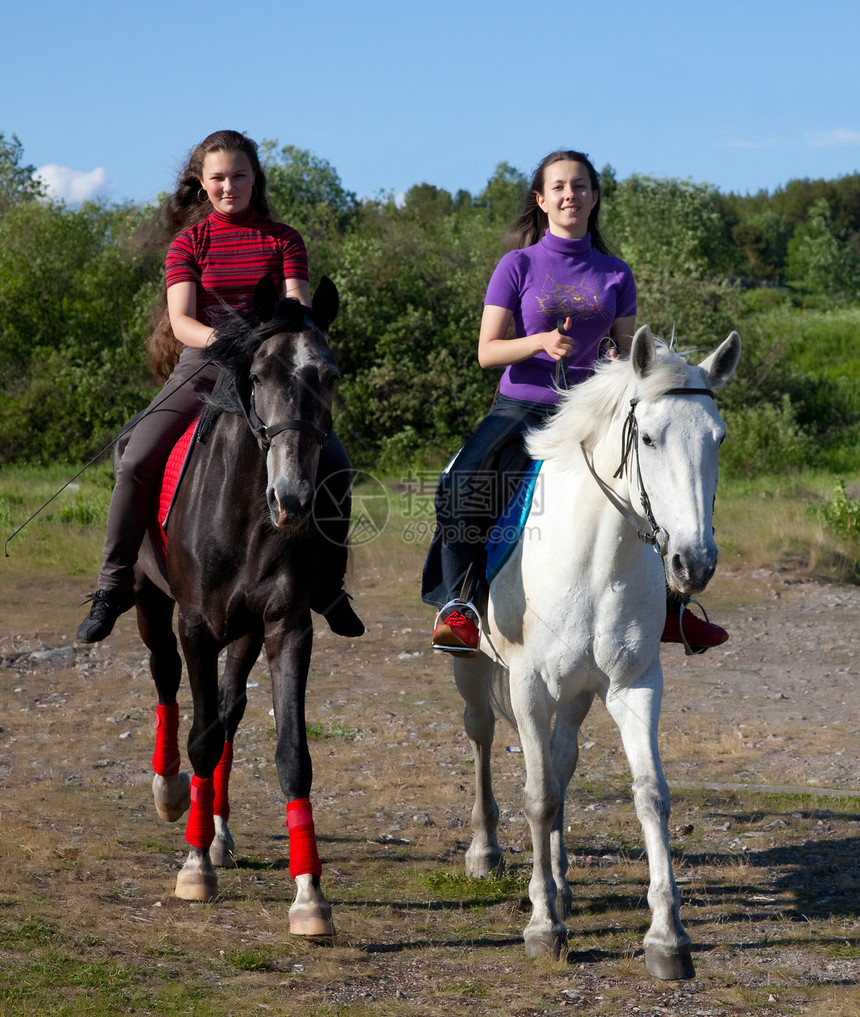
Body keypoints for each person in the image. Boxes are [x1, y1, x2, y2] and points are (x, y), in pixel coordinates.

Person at [424, 149, 728, 656]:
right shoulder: (516, 265)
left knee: (658, 484)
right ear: (542, 200)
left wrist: (612, 355)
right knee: (462, 485)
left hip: (593, 410)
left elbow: (630, 356)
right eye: (560, 187)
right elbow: (487, 351)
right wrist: (538, 342)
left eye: (581, 186)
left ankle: (672, 609)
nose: (572, 194)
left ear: (595, 197)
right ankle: (460, 607)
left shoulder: (616, 273)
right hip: (522, 405)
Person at [77, 130, 363, 642]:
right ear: (202, 184)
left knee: (336, 464)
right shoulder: (189, 243)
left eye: (239, 176)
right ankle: (113, 583)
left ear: (255, 179)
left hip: (273, 369)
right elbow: (182, 320)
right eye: (218, 178)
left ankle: (328, 586)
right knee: (137, 458)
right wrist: (227, 342)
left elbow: (295, 306)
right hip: (204, 364)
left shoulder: (284, 239)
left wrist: (279, 341)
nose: (229, 186)